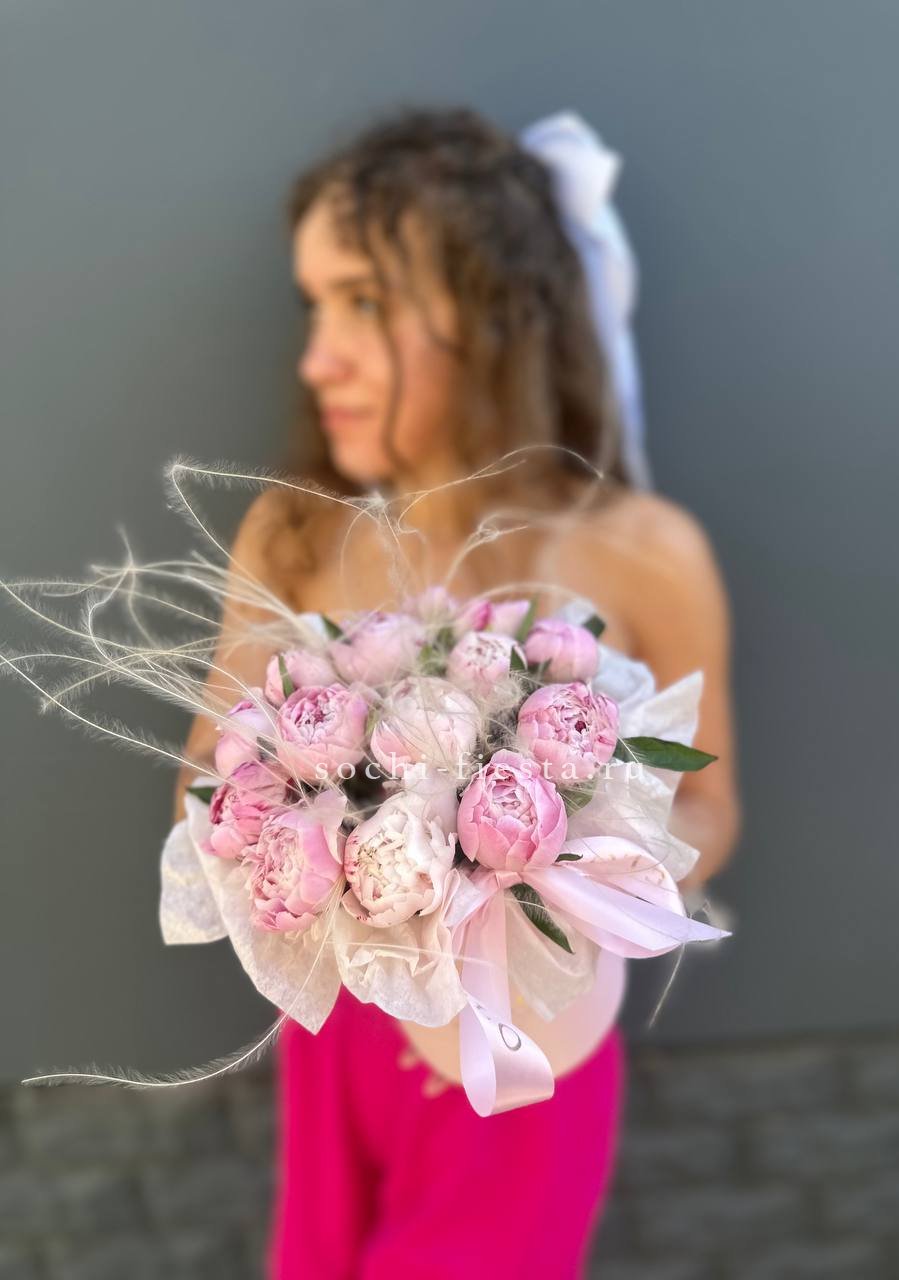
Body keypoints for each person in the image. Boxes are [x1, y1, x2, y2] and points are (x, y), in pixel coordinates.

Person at [172, 105, 741, 1279]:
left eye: (364, 303)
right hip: (339, 1047)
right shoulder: (293, 534)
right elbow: (199, 782)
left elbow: (712, 808)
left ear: (492, 316)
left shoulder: (645, 551)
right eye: (314, 304)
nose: (318, 357)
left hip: (527, 1056)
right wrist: (334, 841)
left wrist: (546, 864)